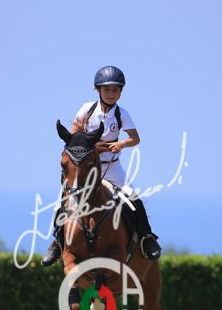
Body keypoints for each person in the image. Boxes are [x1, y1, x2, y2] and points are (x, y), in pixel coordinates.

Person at [42, 65, 162, 266]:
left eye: (115, 90)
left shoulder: (122, 114)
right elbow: (74, 137)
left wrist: (121, 144)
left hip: (112, 167)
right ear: (98, 90)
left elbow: (135, 138)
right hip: (87, 169)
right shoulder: (87, 109)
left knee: (134, 199)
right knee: (60, 204)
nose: (111, 93)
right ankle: (57, 242)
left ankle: (147, 238)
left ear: (121, 92)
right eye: (107, 89)